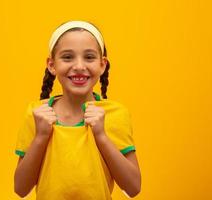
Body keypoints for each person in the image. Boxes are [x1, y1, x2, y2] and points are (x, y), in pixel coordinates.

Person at [14, 20, 141, 199]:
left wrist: (101, 136)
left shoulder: (115, 114)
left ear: (102, 65)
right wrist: (41, 136)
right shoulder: (37, 114)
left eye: (89, 57)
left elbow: (133, 188)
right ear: (51, 65)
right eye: (67, 57)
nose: (79, 66)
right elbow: (21, 189)